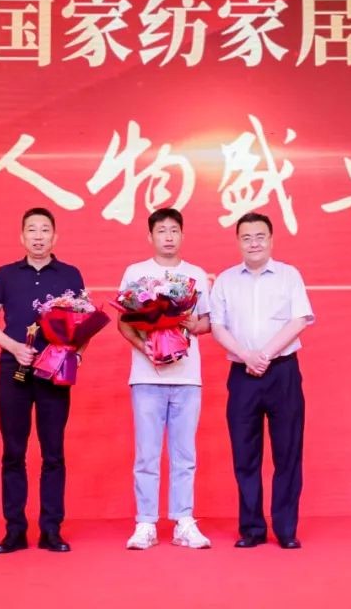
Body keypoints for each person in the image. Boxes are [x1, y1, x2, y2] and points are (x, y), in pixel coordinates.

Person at [0, 207, 84, 554]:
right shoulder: (6, 274)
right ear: (22, 236)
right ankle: (15, 530)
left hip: (53, 373)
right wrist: (13, 347)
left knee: (53, 453)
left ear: (55, 236)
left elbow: (83, 323)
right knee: (13, 452)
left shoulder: (70, 274)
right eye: (32, 230)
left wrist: (75, 354)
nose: (39, 236)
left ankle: (51, 530)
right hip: (14, 370)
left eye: (45, 230)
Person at [209, 211, 315, 550]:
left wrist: (265, 354)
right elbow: (217, 326)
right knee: (245, 455)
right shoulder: (226, 280)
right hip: (243, 376)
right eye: (246, 237)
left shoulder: (289, 275)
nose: (253, 243)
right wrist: (246, 355)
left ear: (271, 239)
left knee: (288, 453)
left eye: (260, 237)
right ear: (238, 242)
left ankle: (286, 529)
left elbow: (299, 319)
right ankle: (252, 529)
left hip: (282, 372)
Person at [117, 208, 213, 550]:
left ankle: (183, 521)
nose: (168, 237)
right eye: (162, 231)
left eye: (174, 230)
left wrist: (192, 325)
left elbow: (208, 322)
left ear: (182, 235)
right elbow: (124, 322)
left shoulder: (196, 275)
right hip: (147, 377)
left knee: (184, 454)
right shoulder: (136, 273)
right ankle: (146, 523)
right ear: (150, 236)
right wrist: (146, 348)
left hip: (187, 378)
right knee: (147, 454)